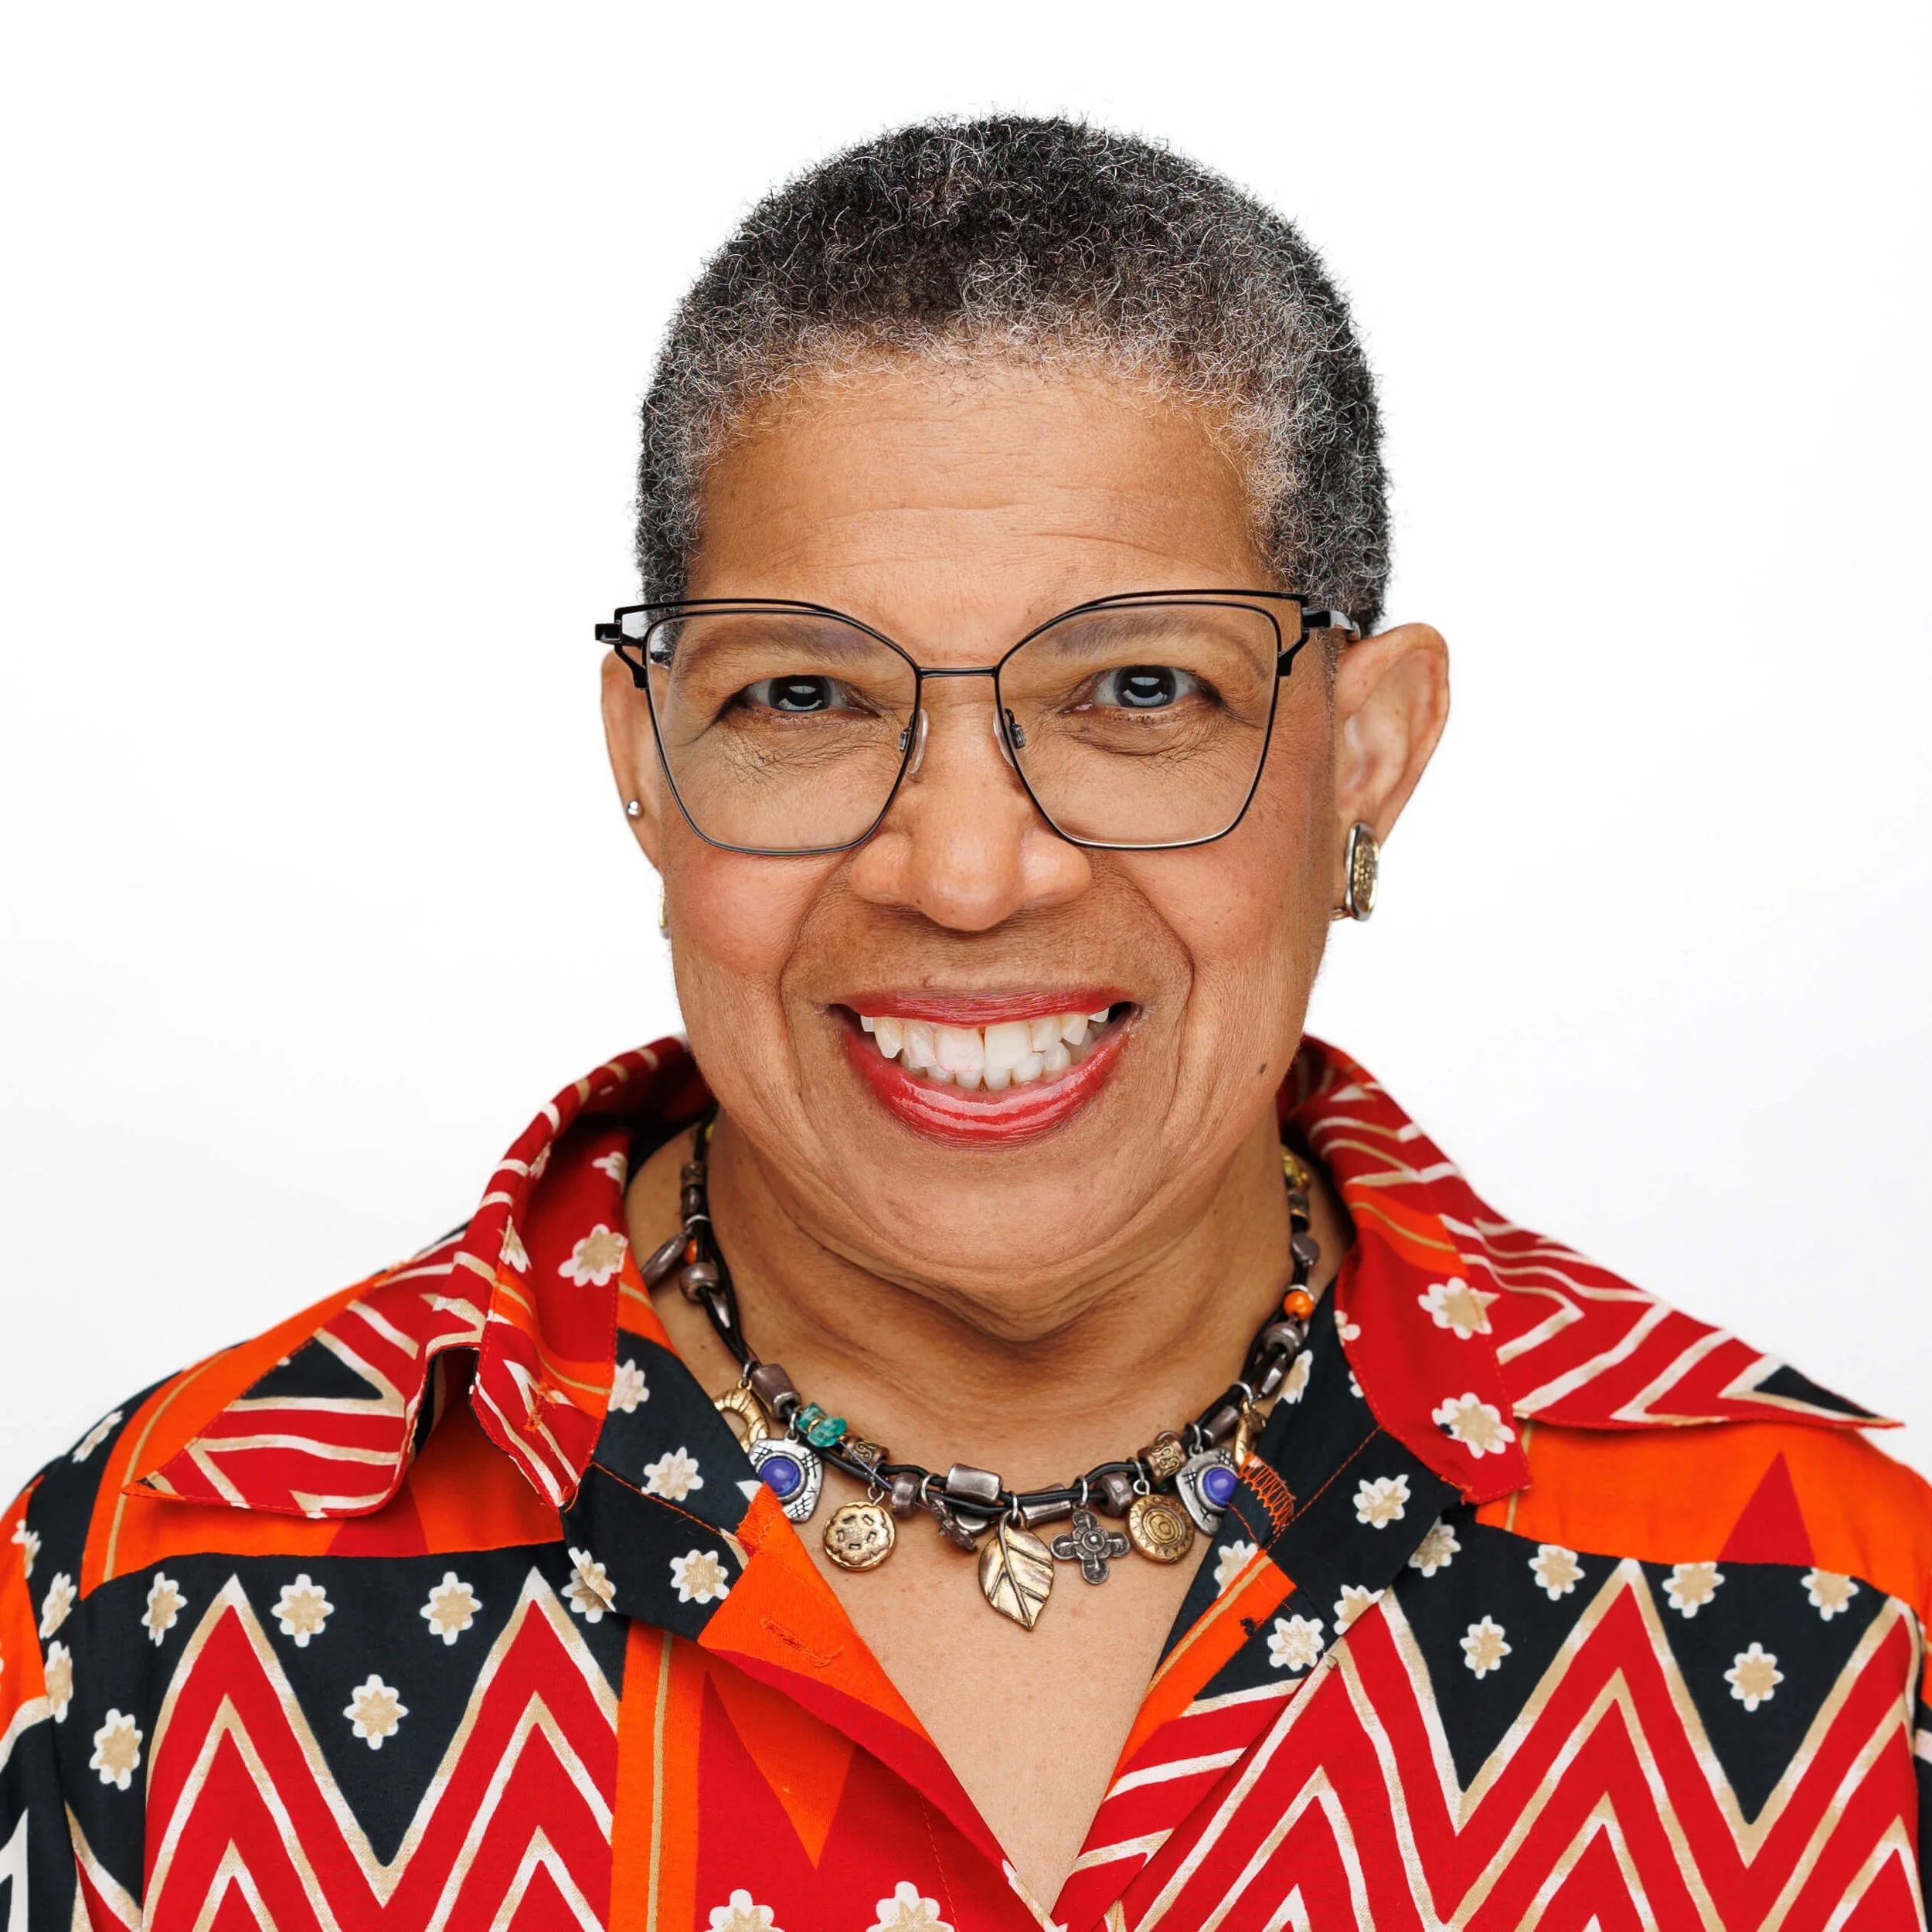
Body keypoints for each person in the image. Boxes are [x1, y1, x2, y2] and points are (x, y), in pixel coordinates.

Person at [3, 116, 1927, 1932]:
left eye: (1138, 689)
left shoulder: (1842, 1607)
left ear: (1365, 752)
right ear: (646, 756)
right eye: (802, 697)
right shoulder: (144, 1599)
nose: (964, 869)